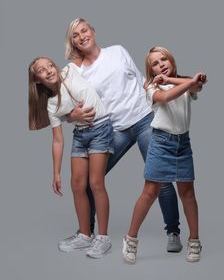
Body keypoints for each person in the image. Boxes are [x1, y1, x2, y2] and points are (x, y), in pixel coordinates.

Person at [59, 18, 182, 253]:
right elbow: (66, 105)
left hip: (145, 119)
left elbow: (139, 80)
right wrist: (71, 116)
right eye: (75, 35)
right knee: (86, 181)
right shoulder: (78, 71)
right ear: (73, 43)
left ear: (93, 31)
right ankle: (87, 232)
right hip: (113, 129)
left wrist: (160, 102)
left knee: (161, 179)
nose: (82, 36)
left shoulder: (117, 51)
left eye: (84, 30)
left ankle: (173, 231)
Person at [122, 46, 207, 264]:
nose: (161, 64)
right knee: (150, 192)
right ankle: (130, 239)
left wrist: (190, 80)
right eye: (155, 63)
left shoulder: (184, 82)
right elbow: (166, 97)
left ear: (171, 61)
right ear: (150, 71)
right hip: (161, 143)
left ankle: (194, 241)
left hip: (183, 145)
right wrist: (189, 81)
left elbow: (197, 86)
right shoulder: (151, 87)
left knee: (187, 193)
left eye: (164, 60)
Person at [28, 57, 114, 258]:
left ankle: (103, 238)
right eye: (42, 70)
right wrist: (55, 173)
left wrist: (70, 116)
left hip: (101, 128)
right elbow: (58, 141)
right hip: (80, 135)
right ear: (38, 80)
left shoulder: (69, 70)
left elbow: (78, 46)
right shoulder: (51, 105)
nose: (49, 70)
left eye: (50, 65)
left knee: (95, 183)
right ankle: (85, 234)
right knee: (76, 184)